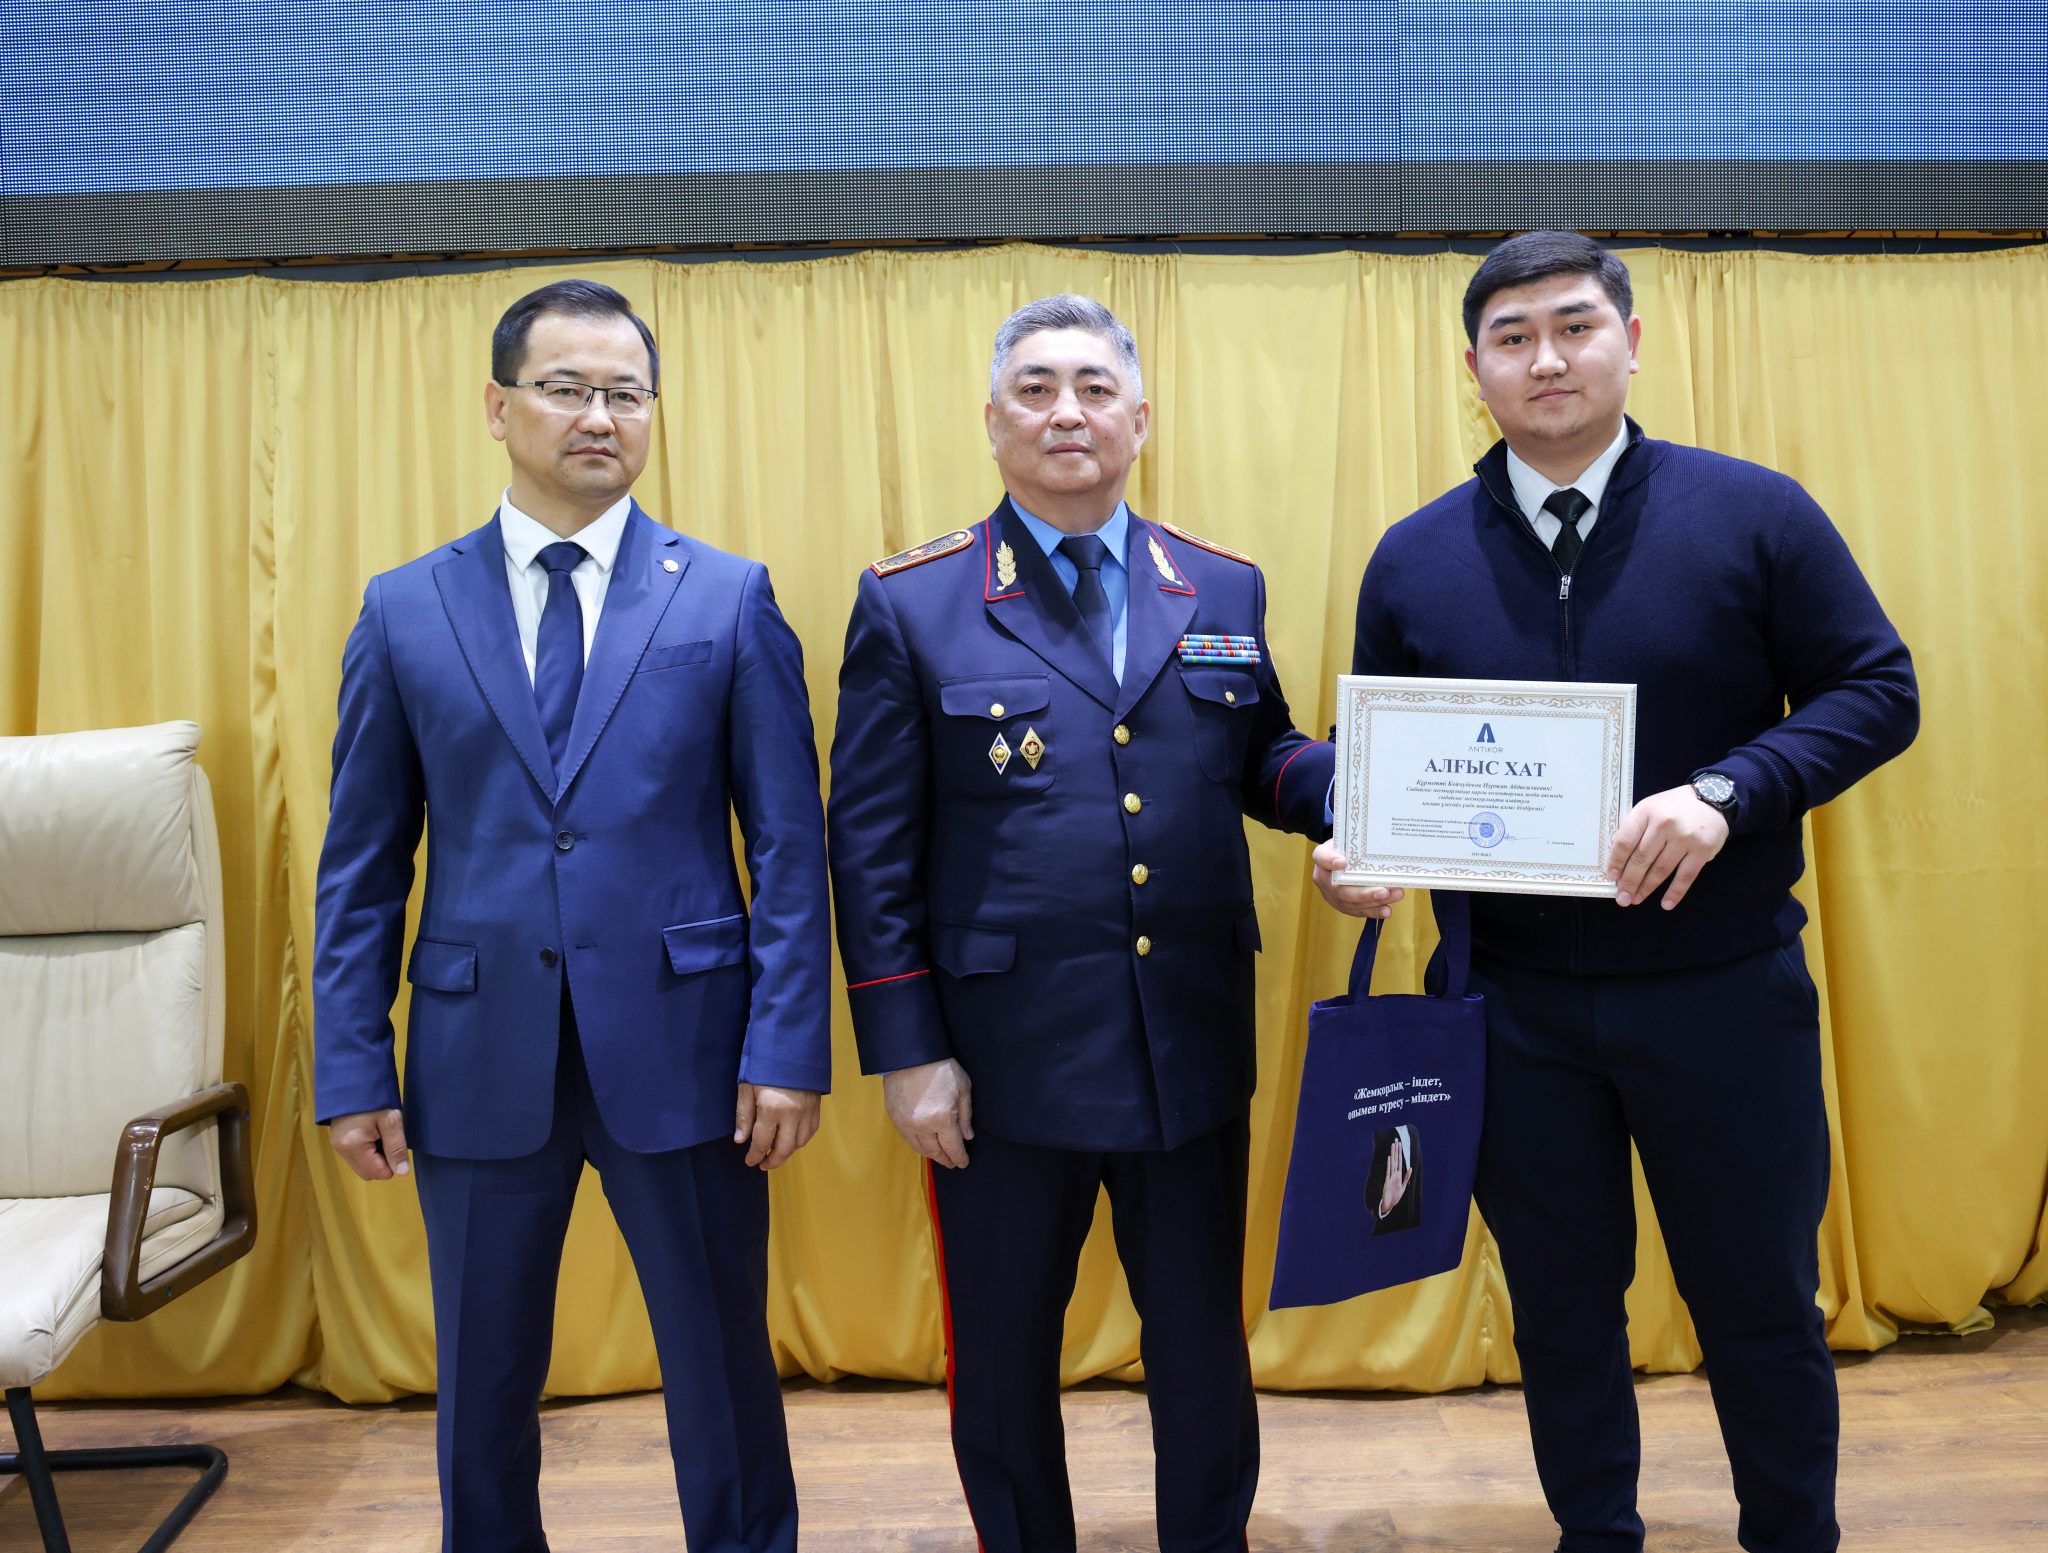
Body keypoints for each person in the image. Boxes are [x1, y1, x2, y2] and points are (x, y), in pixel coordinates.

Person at [1314, 232, 1918, 1553]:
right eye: (1512, 336)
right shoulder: (1412, 558)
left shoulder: (1754, 513)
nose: (1547, 358)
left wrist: (1731, 789)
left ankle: (1793, 1536)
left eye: (1575, 326)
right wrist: (1362, 856)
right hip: (1511, 1012)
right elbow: (1381, 769)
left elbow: (1877, 689)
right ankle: (1595, 1533)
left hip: (1724, 993)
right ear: (1472, 367)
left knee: (1760, 1302)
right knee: (1561, 1311)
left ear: (1631, 343)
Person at [313, 278, 830, 1553]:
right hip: (476, 1050)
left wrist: (785, 1044)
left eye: (626, 393)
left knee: (720, 1365)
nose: (599, 416)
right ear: (499, 408)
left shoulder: (724, 596)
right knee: (481, 1378)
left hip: (689, 1049)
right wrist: (350, 1062)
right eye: (566, 388)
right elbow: (363, 861)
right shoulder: (404, 607)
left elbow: (787, 843)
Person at [828, 294, 1336, 1552]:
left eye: (1096, 388)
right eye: (1038, 388)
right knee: (1003, 1357)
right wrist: (907, 1050)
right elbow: (869, 845)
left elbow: (1261, 753)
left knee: (1202, 1347)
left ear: (1139, 418)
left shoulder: (1216, 582)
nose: (1068, 412)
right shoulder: (912, 601)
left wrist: (1368, 798)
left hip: (1186, 1043)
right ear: (992, 419)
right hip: (1000, 1060)